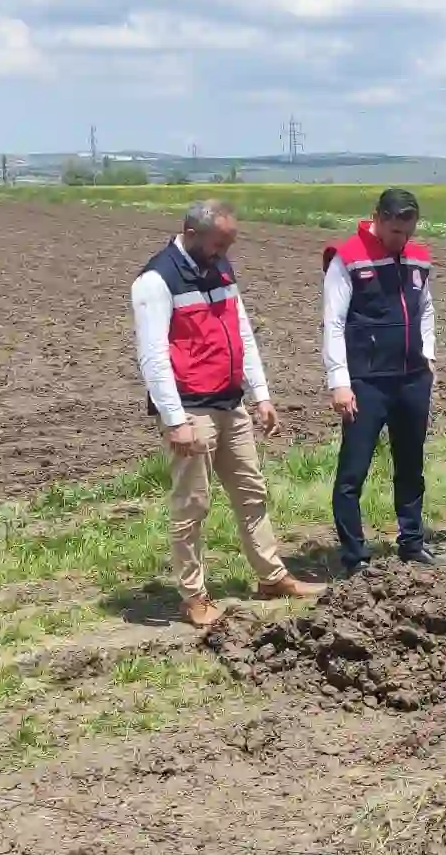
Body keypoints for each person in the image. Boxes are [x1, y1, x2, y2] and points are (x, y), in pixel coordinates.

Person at [131, 200, 323, 627]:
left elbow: (242, 333)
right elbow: (153, 357)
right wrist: (175, 420)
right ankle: (194, 596)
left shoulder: (220, 268)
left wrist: (261, 395)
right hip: (191, 407)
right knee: (193, 504)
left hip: (230, 401)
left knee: (251, 492)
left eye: (229, 244)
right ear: (192, 233)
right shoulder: (155, 280)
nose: (224, 252)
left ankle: (271, 577)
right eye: (220, 243)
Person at [322, 188, 437, 574]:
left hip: (411, 378)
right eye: (393, 232)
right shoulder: (348, 257)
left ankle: (412, 542)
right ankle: (355, 557)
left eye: (406, 232)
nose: (400, 241)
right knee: (353, 471)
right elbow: (334, 322)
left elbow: (427, 310)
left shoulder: (418, 257)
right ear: (378, 217)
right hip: (366, 381)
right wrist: (339, 380)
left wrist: (430, 357)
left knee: (410, 465)